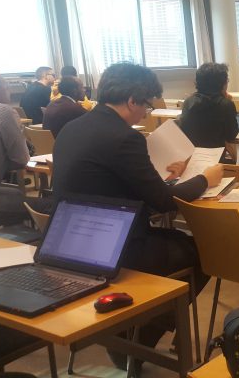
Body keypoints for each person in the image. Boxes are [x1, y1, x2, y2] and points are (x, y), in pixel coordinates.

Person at [51, 62, 223, 370]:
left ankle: (136, 331)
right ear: (132, 101)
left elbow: (109, 182)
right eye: (145, 105)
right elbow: (163, 202)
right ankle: (139, 338)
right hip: (115, 247)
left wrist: (167, 178)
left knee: (175, 242)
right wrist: (204, 180)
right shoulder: (124, 137)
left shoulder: (72, 128)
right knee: (208, 251)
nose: (145, 113)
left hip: (69, 243)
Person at [0, 69, 35, 229]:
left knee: (15, 194)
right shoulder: (3, 111)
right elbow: (22, 160)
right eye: (7, 87)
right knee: (51, 207)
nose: (10, 92)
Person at [179, 62, 239, 161]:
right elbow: (231, 135)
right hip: (216, 160)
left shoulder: (188, 102)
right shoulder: (225, 105)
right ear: (222, 84)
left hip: (191, 159)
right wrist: (228, 101)